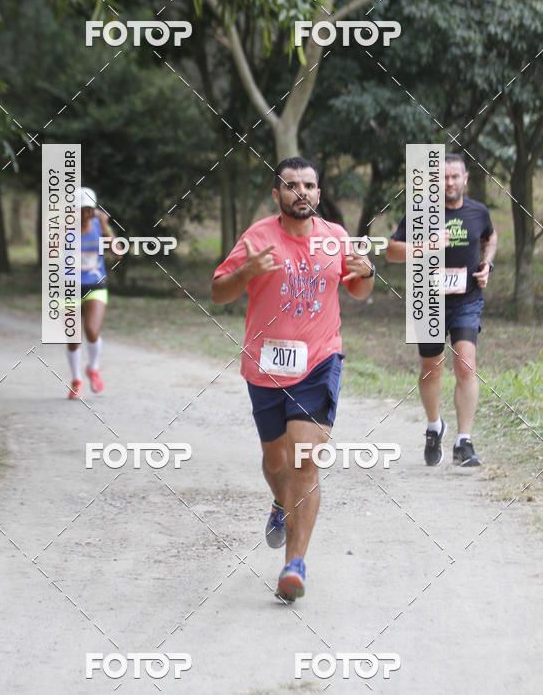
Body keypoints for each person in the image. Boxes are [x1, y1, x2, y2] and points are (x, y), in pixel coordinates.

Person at [211, 157, 374, 601]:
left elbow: (359, 290)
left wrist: (367, 274)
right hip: (265, 367)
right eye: (291, 185)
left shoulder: (335, 238)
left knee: (304, 461)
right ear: (276, 193)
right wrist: (247, 272)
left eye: (308, 185)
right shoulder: (258, 238)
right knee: (275, 463)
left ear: (318, 194)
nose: (300, 192)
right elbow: (218, 291)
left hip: (319, 362)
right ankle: (280, 503)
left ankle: (294, 565)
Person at [385, 153, 498, 467]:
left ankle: (464, 442)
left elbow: (491, 237)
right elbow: (392, 252)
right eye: (443, 177)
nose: (449, 182)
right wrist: (427, 246)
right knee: (431, 367)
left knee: (466, 364)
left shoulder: (478, 211)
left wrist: (488, 263)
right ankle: (435, 426)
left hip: (467, 299)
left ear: (465, 180)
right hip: (428, 299)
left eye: (454, 176)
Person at [66, 187, 119, 399]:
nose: (86, 215)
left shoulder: (99, 226)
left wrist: (105, 227)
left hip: (95, 285)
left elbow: (117, 253)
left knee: (91, 330)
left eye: (90, 210)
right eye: (81, 210)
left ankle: (93, 368)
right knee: (73, 339)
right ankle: (76, 380)